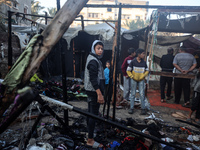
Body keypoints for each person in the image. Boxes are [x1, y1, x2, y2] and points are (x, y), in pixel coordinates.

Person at [84, 40, 105, 148]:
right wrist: (99, 93)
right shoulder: (93, 61)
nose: (100, 50)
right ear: (93, 48)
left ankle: (90, 134)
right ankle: (90, 139)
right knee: (93, 114)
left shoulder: (93, 58)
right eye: (98, 48)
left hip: (91, 90)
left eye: (102, 48)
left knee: (90, 113)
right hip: (93, 91)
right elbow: (93, 78)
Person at [126, 48, 149, 115]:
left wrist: (143, 76)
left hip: (141, 80)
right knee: (133, 94)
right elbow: (128, 70)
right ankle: (131, 108)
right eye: (143, 53)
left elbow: (147, 70)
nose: (144, 55)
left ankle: (143, 109)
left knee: (142, 94)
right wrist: (132, 76)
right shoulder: (133, 62)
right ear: (139, 54)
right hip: (134, 80)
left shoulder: (144, 62)